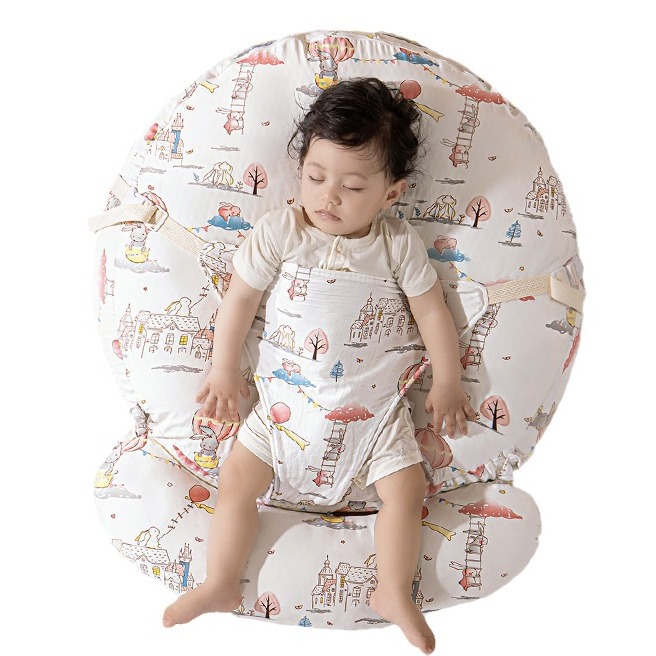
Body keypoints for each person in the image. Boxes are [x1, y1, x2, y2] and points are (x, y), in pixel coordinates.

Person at [163, 78, 475, 654]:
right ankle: (220, 581)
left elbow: (433, 314)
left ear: (391, 193)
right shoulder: (281, 231)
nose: (329, 196)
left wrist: (449, 380)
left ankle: (392, 590)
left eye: (352, 187)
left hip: (373, 416)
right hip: (284, 407)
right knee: (236, 482)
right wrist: (223, 369)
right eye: (315, 177)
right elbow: (239, 300)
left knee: (407, 491)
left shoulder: (396, 244)